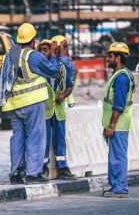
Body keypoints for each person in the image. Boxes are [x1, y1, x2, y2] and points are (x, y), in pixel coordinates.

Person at [0, 23, 67, 185]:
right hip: (33, 102)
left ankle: (16, 172)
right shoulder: (33, 56)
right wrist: (55, 55)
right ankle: (33, 173)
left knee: (17, 138)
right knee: (35, 137)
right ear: (33, 39)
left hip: (15, 104)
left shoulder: (10, 55)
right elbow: (54, 71)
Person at [102, 42, 135, 198]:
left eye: (110, 56)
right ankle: (115, 186)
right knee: (114, 157)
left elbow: (119, 105)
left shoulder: (121, 78)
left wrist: (111, 125)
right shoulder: (118, 75)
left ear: (118, 58)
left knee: (118, 157)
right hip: (117, 124)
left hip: (118, 125)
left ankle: (120, 188)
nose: (107, 58)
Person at [41, 35, 77, 180]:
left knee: (59, 140)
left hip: (58, 109)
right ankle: (42, 168)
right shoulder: (42, 65)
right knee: (44, 140)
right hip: (45, 110)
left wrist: (63, 95)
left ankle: (62, 168)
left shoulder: (63, 65)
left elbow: (69, 84)